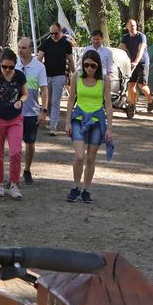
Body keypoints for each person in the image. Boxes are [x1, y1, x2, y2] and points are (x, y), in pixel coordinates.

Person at [65, 49, 113, 203]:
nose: (89, 69)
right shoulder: (76, 77)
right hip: (79, 118)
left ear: (98, 66)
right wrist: (67, 121)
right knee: (80, 156)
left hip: (97, 121)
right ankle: (75, 186)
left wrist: (110, 127)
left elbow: (109, 105)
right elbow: (71, 99)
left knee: (91, 158)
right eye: (86, 65)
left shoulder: (104, 80)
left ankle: (86, 189)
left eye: (93, 66)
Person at [0, 49, 28, 200]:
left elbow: (25, 94)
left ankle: (14, 184)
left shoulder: (20, 76)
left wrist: (20, 101)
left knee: (16, 152)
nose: (7, 70)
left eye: (11, 67)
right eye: (4, 67)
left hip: (15, 119)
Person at [15, 39, 49, 185]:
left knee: (30, 143)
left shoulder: (39, 67)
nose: (20, 50)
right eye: (19, 48)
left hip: (32, 112)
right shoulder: (13, 64)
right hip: (14, 112)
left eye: (23, 48)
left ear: (30, 49)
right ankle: (14, 173)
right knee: (15, 145)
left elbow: (44, 90)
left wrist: (44, 110)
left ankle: (27, 169)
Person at [37, 23, 74, 135]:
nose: (53, 35)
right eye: (51, 33)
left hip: (59, 76)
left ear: (60, 31)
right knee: (47, 101)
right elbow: (39, 58)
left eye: (55, 33)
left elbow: (70, 60)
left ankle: (53, 126)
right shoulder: (46, 43)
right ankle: (49, 120)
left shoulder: (66, 44)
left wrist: (74, 73)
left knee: (55, 101)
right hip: (46, 76)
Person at [119, 19, 153, 113]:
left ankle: (150, 100)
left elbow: (141, 50)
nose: (132, 27)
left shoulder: (141, 36)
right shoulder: (125, 37)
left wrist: (136, 62)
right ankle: (132, 106)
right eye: (130, 26)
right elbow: (120, 48)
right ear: (127, 27)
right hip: (131, 63)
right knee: (131, 84)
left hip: (142, 62)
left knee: (142, 85)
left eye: (134, 25)